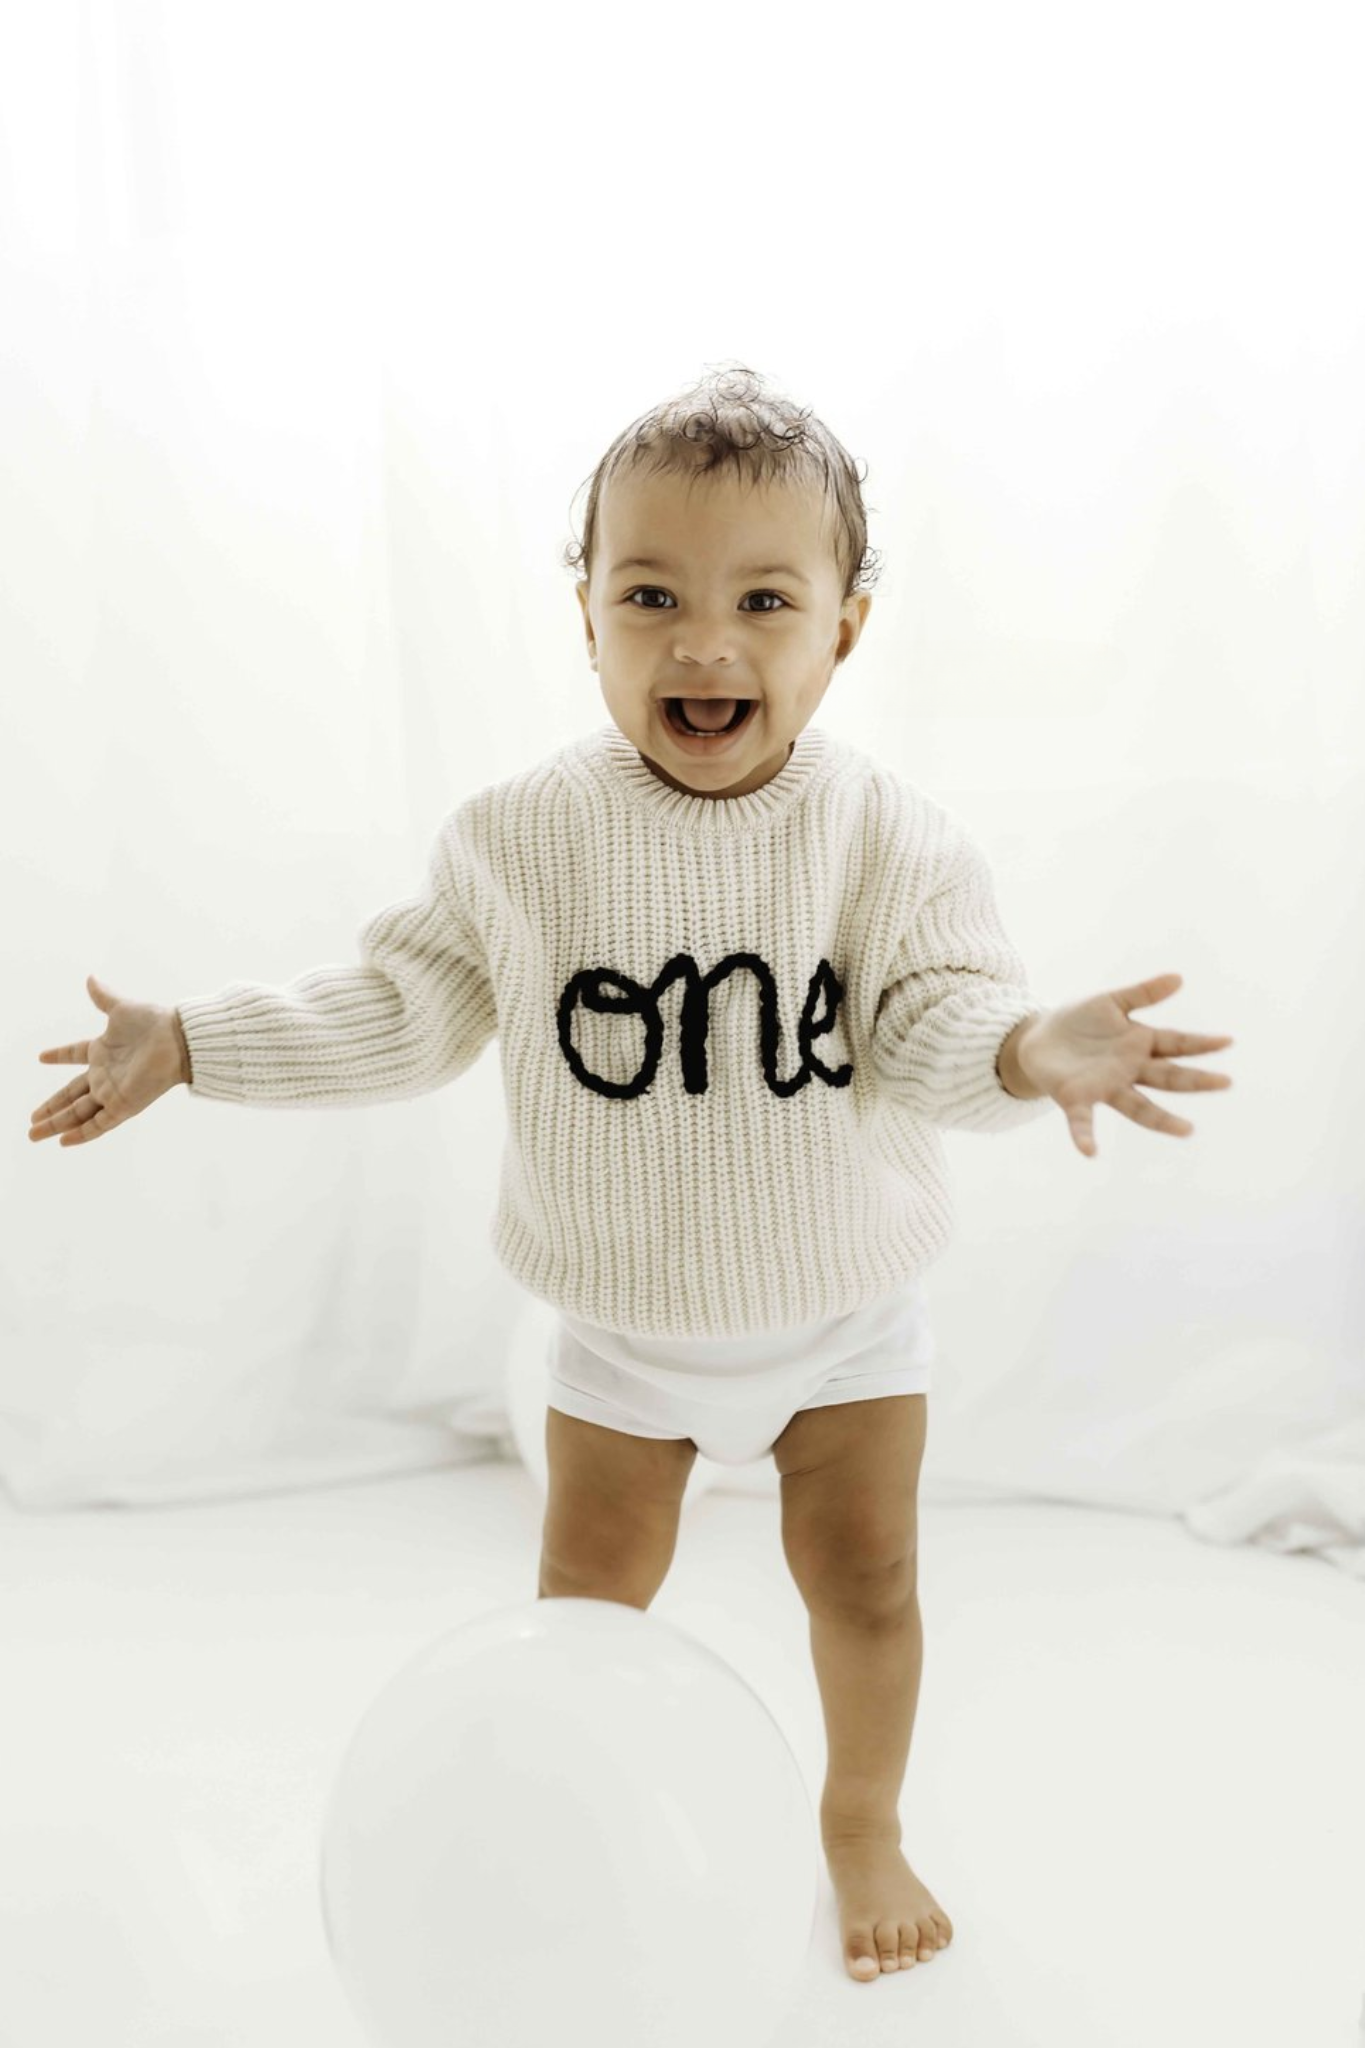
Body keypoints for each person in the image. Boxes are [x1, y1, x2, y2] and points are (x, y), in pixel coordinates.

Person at [28, 363, 1235, 1985]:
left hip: (845, 1324)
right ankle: (564, 1807)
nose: (704, 644)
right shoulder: (523, 840)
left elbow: (929, 1026)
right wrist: (195, 1042)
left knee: (867, 1581)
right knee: (587, 1601)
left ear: (844, 632)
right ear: (586, 615)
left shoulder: (889, 838)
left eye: (763, 602)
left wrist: (1028, 1049)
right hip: (620, 1334)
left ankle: (860, 1818)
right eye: (652, 595)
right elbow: (400, 1008)